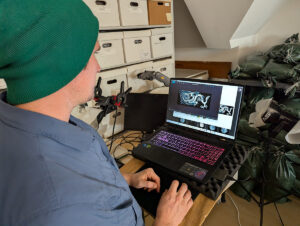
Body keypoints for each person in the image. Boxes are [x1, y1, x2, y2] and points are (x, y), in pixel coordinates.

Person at [0, 0, 193, 225]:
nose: (98, 67)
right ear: (66, 64)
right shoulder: (59, 210)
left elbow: (83, 177)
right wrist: (166, 222)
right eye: (93, 53)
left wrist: (126, 179)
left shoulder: (27, 121)